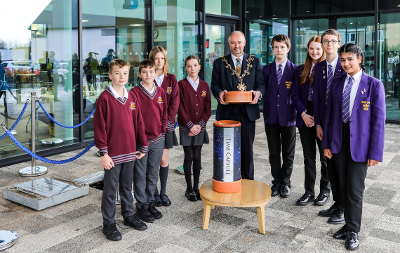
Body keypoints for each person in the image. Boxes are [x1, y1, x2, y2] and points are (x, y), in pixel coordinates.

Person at [322, 43, 385, 251]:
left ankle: (353, 231)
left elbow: (378, 122)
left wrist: (375, 152)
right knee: (341, 185)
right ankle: (347, 224)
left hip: (361, 145)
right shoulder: (337, 82)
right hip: (338, 142)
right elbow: (329, 116)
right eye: (342, 59)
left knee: (354, 190)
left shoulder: (374, 85)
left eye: (350, 59)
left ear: (360, 59)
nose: (346, 63)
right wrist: (326, 144)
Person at [93, 59, 149, 241]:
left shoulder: (132, 97)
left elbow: (139, 121)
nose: (122, 76)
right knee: (110, 189)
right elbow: (99, 127)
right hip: (112, 154)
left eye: (125, 73)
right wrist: (104, 153)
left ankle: (128, 215)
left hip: (130, 151)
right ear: (110, 75)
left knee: (127, 187)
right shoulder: (104, 98)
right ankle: (108, 222)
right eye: (117, 73)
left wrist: (143, 144)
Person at [210, 31, 264, 180]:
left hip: (247, 113)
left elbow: (261, 84)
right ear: (229, 44)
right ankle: (228, 180)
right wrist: (220, 93)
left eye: (239, 42)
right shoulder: (219, 62)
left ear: (244, 43)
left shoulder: (255, 61)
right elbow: (214, 85)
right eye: (233, 43)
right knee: (227, 150)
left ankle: (247, 182)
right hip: (227, 113)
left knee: (247, 151)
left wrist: (258, 93)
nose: (236, 46)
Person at [313, 29, 347, 224]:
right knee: (330, 165)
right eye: (326, 41)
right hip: (324, 123)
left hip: (340, 126)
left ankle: (343, 208)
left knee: (341, 166)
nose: (329, 45)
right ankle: (336, 202)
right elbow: (317, 99)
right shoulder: (319, 68)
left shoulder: (346, 66)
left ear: (338, 43)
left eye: (333, 41)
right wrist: (318, 123)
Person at [292, 35, 330, 206]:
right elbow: (294, 95)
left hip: (322, 117)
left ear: (323, 50)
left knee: (325, 158)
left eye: (318, 48)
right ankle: (309, 192)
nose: (314, 51)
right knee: (309, 158)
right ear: (307, 50)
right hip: (305, 117)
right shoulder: (300, 69)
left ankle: (324, 192)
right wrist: (303, 114)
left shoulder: (327, 69)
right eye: (311, 48)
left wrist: (318, 119)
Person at [131, 59, 167, 223]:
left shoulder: (160, 92)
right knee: (140, 173)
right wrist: (139, 139)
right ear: (139, 74)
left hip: (158, 139)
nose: (148, 75)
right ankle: (141, 205)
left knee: (153, 172)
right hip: (141, 142)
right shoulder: (134, 93)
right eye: (144, 72)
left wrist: (163, 130)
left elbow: (165, 114)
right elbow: (132, 119)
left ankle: (151, 202)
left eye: (151, 71)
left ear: (155, 73)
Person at [263, 34, 298, 198]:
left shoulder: (295, 70)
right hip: (271, 117)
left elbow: (297, 94)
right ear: (273, 49)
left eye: (282, 47)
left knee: (288, 153)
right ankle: (276, 182)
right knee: (274, 152)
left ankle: (286, 182)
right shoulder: (266, 69)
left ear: (288, 48)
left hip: (289, 117)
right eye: (276, 47)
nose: (279, 50)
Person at [149, 46, 179, 207]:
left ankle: (163, 192)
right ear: (152, 60)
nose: (160, 61)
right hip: (152, 126)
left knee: (163, 159)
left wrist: (169, 120)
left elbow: (175, 102)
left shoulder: (171, 79)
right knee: (153, 160)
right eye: (156, 58)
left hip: (166, 125)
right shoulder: (148, 77)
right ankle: (153, 193)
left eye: (162, 58)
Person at [178, 55, 211, 201]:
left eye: (195, 65)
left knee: (197, 156)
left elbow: (207, 108)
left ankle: (196, 187)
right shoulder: (181, 85)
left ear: (199, 66)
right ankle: (189, 188)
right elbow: (180, 107)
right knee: (189, 156)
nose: (192, 68)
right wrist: (191, 126)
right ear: (185, 68)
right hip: (187, 127)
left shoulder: (204, 85)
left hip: (200, 126)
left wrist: (200, 125)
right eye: (189, 66)